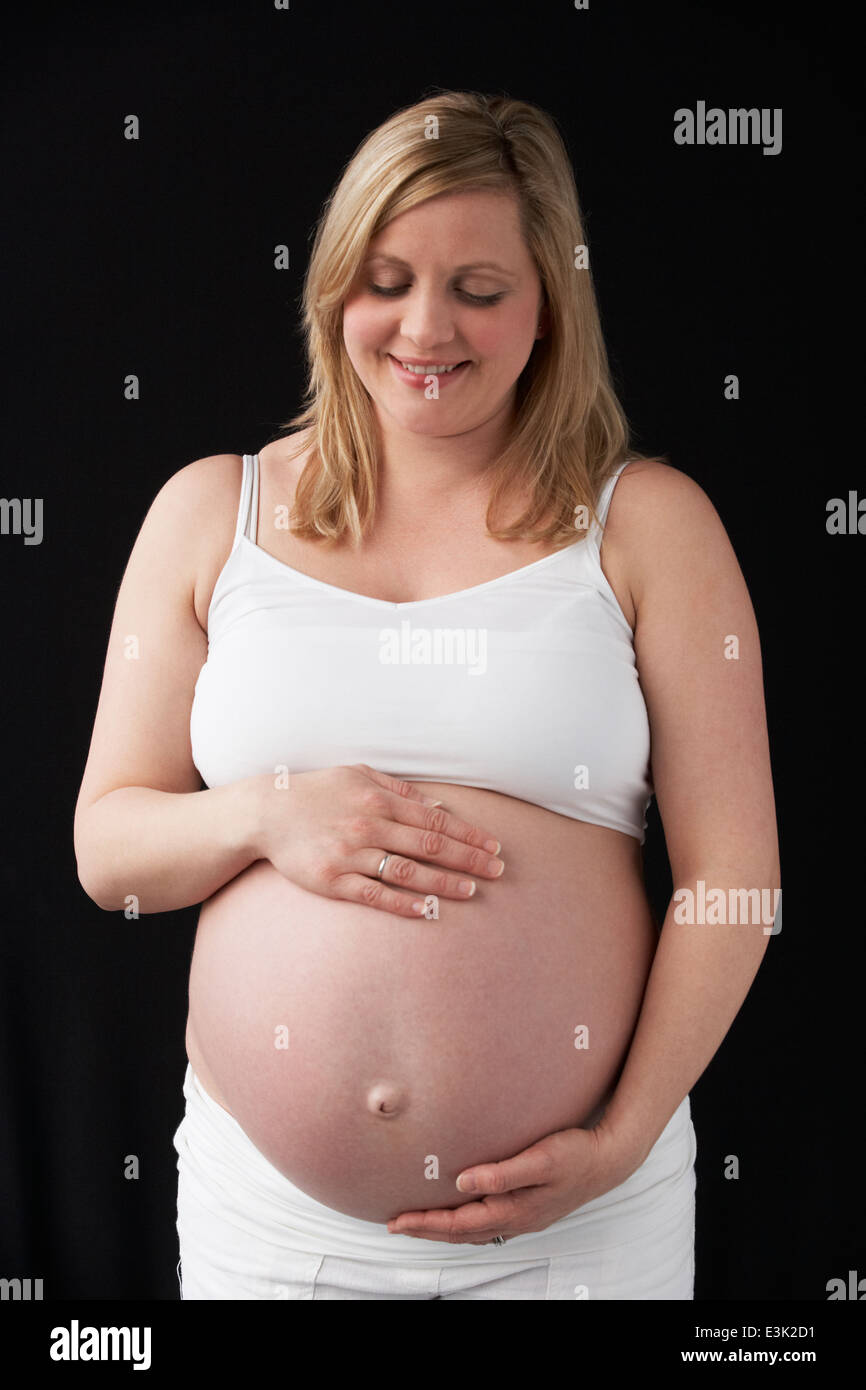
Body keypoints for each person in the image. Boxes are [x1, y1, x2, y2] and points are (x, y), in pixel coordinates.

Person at [73, 89, 780, 1300]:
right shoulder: (210, 512)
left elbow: (735, 884)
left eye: (479, 288)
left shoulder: (648, 526)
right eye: (384, 279)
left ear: (549, 301)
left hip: (578, 1230)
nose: (424, 327)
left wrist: (614, 1147)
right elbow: (107, 847)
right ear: (332, 286)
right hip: (269, 1225)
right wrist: (264, 811)